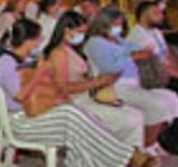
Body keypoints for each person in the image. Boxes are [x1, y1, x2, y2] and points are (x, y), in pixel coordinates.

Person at [0, 19, 159, 167]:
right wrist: (40, 73)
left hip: (38, 116)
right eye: (38, 38)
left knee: (80, 125)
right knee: (73, 115)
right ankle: (128, 154)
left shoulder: (29, 60)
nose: (41, 42)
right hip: (19, 123)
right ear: (28, 40)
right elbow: (20, 97)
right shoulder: (6, 62)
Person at [43, 11, 148, 152]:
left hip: (86, 97)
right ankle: (126, 155)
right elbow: (62, 88)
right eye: (80, 32)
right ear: (67, 31)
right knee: (129, 119)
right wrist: (97, 82)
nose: (82, 36)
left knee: (136, 114)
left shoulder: (72, 49)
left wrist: (103, 80)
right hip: (73, 103)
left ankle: (127, 154)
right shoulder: (58, 53)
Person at [84, 6, 178, 153]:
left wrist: (143, 51)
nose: (119, 27)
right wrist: (136, 56)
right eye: (115, 24)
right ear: (104, 23)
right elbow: (110, 67)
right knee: (157, 105)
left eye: (120, 24)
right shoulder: (95, 43)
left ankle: (152, 139)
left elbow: (132, 48)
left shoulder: (117, 39)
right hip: (115, 86)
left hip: (134, 83)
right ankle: (146, 148)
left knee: (171, 97)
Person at [126, 0, 178, 133]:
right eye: (156, 13)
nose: (161, 16)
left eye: (161, 13)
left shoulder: (155, 32)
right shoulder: (139, 36)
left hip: (163, 72)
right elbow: (159, 66)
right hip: (150, 77)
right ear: (144, 16)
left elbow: (167, 56)